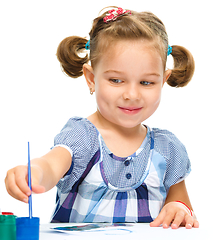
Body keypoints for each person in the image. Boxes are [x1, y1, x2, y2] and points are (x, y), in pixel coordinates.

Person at [5, 7, 199, 229]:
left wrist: (179, 209)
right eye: (116, 80)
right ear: (90, 78)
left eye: (147, 82)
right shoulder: (82, 137)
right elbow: (51, 165)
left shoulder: (168, 148)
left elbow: (182, 204)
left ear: (163, 81)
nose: (132, 95)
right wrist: (33, 173)